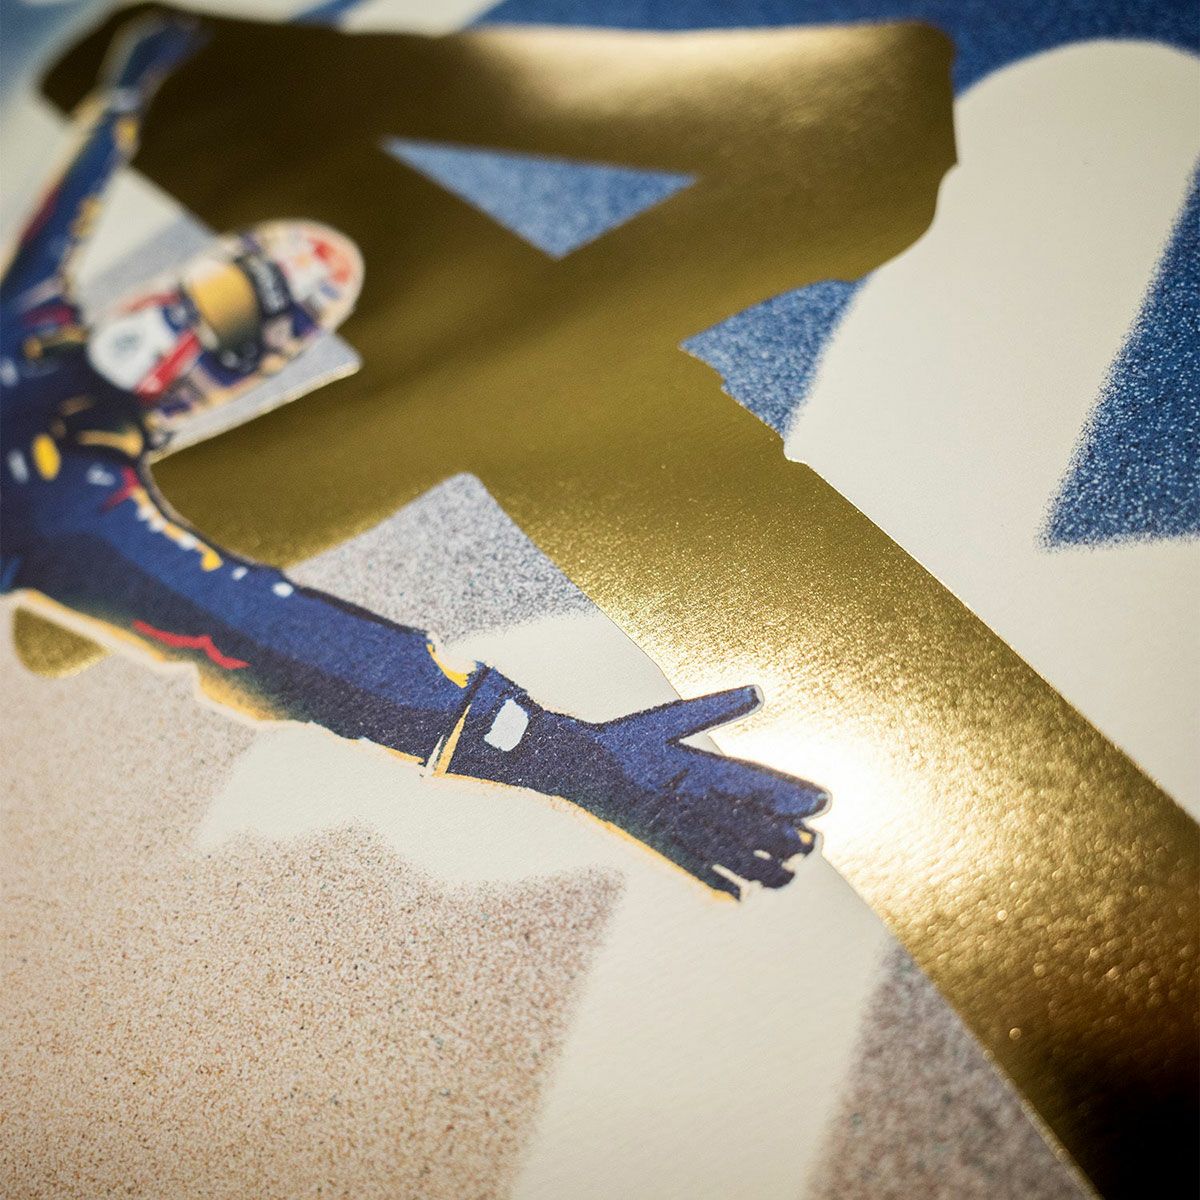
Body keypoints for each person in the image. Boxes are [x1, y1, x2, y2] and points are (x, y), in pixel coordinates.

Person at [0, 16, 826, 898]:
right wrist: (119, 106)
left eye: (230, 324)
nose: (184, 321)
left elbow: (287, 641)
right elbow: (65, 213)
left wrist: (568, 757)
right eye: (213, 289)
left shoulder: (86, 506)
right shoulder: (34, 327)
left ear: (225, 379)